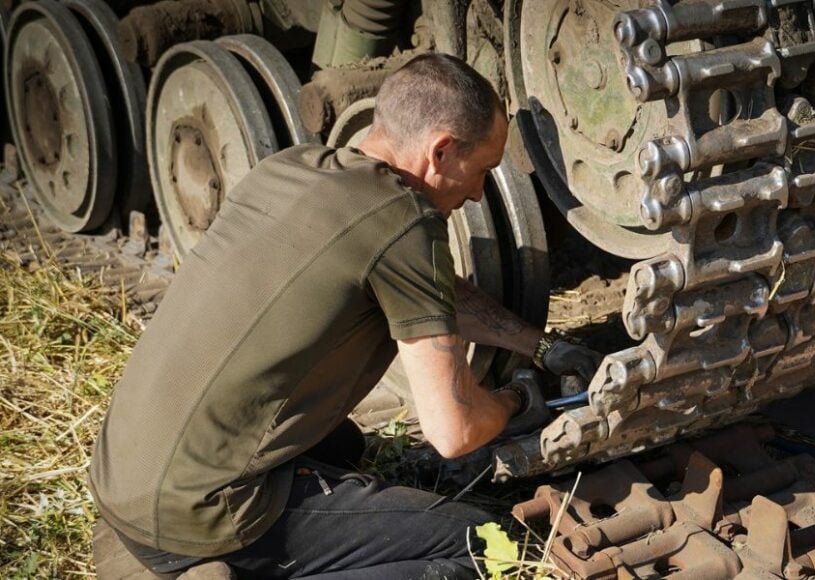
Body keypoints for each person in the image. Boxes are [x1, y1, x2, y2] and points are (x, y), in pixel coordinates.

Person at [88, 53, 602, 579]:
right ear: (441, 151)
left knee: (345, 445)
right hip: (193, 517)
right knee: (485, 548)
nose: (476, 193)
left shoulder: (292, 167)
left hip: (123, 476)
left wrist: (536, 345)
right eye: (482, 172)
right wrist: (515, 400)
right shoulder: (406, 222)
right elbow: (455, 432)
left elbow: (430, 291)